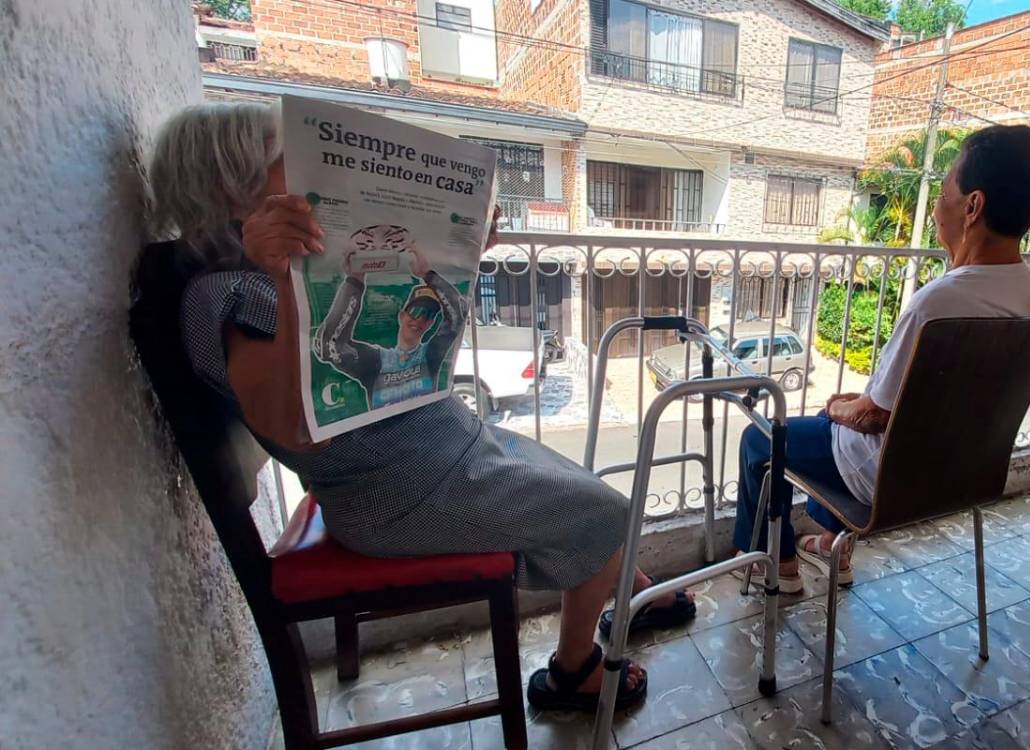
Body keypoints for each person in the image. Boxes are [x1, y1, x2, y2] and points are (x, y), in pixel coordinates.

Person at [148, 102, 693, 713]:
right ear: (233, 187)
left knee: (579, 484)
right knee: (604, 511)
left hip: (438, 450)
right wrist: (279, 276)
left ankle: (627, 588)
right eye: (286, 162)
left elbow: (400, 346)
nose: (303, 173)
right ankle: (575, 673)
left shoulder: (295, 266)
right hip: (398, 491)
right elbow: (298, 432)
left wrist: (460, 252)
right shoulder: (227, 291)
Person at [733, 124, 1030, 591]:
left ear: (972, 206)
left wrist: (838, 407)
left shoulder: (937, 303)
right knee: (828, 435)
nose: (937, 208)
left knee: (762, 437)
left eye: (943, 193)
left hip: (888, 485)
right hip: (961, 478)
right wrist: (855, 408)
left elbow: (874, 417)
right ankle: (834, 549)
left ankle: (774, 563)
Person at [314, 248, 463, 409]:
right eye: (415, 311)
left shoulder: (430, 355)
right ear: (402, 316)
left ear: (430, 324)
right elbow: (329, 345)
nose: (420, 319)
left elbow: (457, 317)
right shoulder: (376, 359)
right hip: (385, 433)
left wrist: (428, 274)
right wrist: (355, 280)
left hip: (425, 428)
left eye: (428, 315)